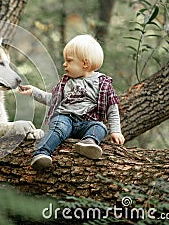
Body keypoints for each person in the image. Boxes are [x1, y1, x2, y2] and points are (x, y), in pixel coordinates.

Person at [18, 34, 125, 170]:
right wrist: (34, 92)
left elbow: (112, 109)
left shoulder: (103, 84)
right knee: (58, 128)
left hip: (87, 122)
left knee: (100, 127)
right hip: (66, 118)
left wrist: (116, 131)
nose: (64, 64)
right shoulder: (66, 82)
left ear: (85, 63)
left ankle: (88, 142)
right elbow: (53, 100)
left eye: (69, 61)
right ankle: (41, 154)